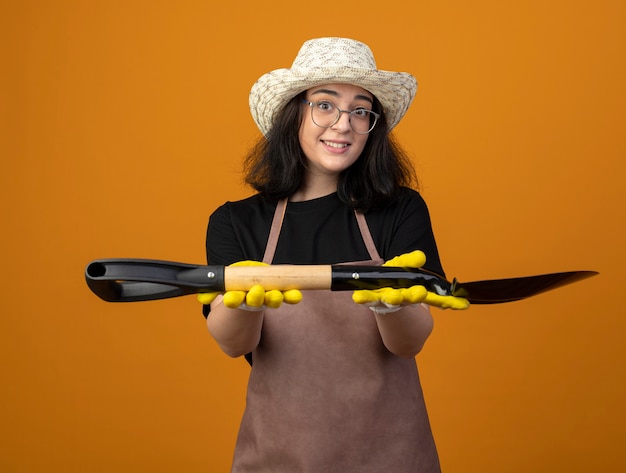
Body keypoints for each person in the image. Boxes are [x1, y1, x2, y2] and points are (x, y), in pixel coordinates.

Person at [200, 37, 469, 473]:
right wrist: (243, 302)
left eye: (360, 110)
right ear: (294, 115)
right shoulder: (236, 223)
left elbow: (410, 341)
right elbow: (233, 344)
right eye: (325, 105)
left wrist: (391, 302)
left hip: (392, 456)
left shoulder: (399, 210)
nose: (343, 124)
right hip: (279, 456)